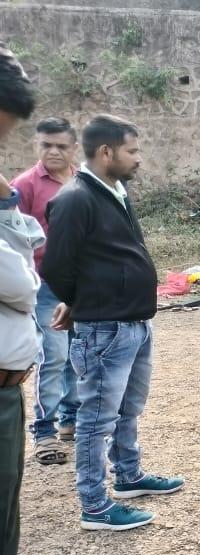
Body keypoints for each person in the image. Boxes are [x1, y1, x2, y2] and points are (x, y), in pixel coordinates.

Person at [41, 115, 184, 532]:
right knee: (96, 418)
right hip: (105, 326)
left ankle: (128, 476)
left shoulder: (114, 191)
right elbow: (56, 265)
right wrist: (80, 302)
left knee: (127, 408)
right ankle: (95, 506)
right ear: (107, 152)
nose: (138, 159)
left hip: (132, 323)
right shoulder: (75, 199)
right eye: (132, 151)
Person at [0, 43, 86, 555]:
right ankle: (51, 431)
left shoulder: (70, 185)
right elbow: (20, 273)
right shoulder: (23, 187)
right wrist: (29, 274)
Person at [11, 117, 79, 465]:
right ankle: (45, 432)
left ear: (74, 149)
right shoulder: (24, 186)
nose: (53, 151)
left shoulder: (84, 181)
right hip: (44, 286)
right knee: (52, 356)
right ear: (36, 146)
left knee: (77, 356)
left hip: (81, 286)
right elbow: (9, 238)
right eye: (46, 145)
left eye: (61, 146)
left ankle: (70, 421)